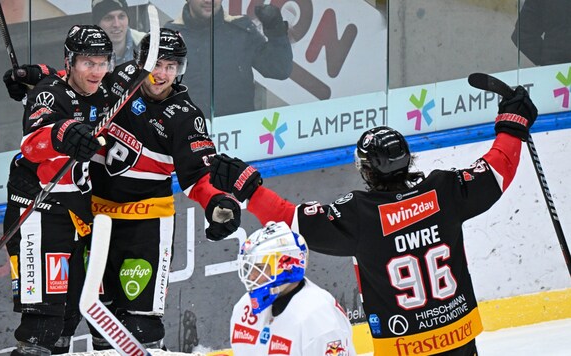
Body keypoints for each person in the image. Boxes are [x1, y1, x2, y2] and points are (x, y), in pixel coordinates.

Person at [209, 87, 538, 355]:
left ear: (366, 170)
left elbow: (290, 220)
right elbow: (498, 168)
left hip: (402, 346)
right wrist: (512, 123)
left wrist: (248, 188)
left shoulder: (360, 215)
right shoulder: (445, 190)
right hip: (460, 338)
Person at [86, 28, 241, 350]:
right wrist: (40, 79)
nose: (162, 74)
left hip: (145, 225)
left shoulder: (185, 116)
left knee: (140, 323)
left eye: (172, 67)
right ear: (141, 62)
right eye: (157, 64)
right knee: (100, 319)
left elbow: (199, 173)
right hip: (94, 219)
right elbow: (76, 82)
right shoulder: (119, 79)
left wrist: (217, 202)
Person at [2, 24, 112, 355]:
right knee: (43, 326)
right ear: (71, 62)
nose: (96, 71)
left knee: (95, 314)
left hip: (84, 212)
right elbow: (33, 144)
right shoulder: (49, 93)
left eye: (102, 62)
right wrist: (63, 133)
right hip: (39, 211)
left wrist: (37, 69)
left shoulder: (107, 90)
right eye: (88, 63)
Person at [231, 221, 356, 356]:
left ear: (285, 266)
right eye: (250, 267)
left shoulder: (319, 319)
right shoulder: (245, 306)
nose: (251, 276)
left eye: (260, 268)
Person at [165, 0, 293, 117]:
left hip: (241, 133)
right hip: (190, 135)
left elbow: (279, 69)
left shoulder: (240, 30)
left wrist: (276, 30)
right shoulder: (167, 38)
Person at [511, 0, 571, 66]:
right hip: (556, 68)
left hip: (556, 69)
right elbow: (522, 35)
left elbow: (522, 34)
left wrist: (551, 59)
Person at [92, 0, 146, 65]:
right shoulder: (87, 53)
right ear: (97, 25)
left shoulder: (147, 43)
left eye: (121, 16)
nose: (117, 24)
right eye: (108, 18)